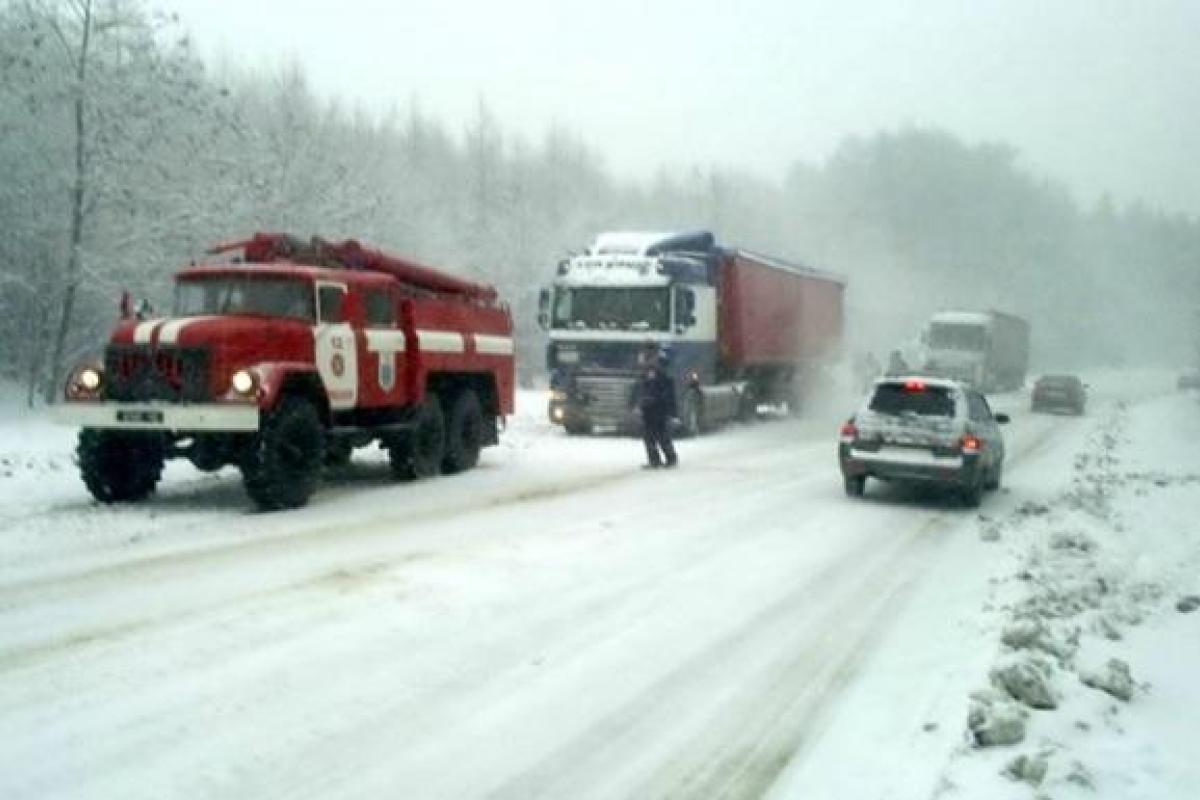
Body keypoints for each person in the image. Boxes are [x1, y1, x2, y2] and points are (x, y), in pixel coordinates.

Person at [632, 343, 678, 469]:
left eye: (645, 350)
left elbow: (654, 388)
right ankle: (662, 459)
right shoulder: (653, 366)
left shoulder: (655, 368)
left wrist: (648, 400)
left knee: (657, 435)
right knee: (652, 435)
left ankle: (666, 459)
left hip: (656, 407)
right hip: (652, 406)